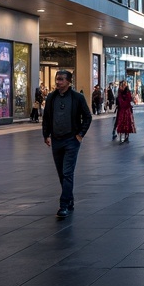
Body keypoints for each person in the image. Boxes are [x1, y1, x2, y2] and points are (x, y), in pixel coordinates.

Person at [42, 70, 92, 219]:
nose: (58, 82)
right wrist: (46, 134)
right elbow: (46, 118)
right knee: (61, 174)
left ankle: (63, 205)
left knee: (67, 173)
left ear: (69, 81)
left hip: (71, 140)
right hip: (56, 140)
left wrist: (80, 134)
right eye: (57, 79)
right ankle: (69, 199)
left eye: (62, 80)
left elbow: (87, 117)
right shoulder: (51, 97)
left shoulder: (77, 97)